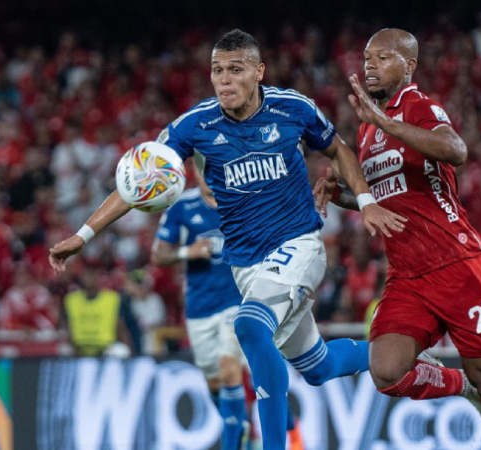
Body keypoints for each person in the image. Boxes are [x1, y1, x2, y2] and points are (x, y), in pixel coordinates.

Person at [49, 29, 405, 450]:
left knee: (249, 326)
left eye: (235, 70)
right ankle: (411, 357)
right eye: (217, 70)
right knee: (318, 367)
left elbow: (340, 151)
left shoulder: (292, 108)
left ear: (259, 72)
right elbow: (138, 183)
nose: (224, 80)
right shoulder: (194, 124)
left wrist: (364, 201)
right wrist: (83, 234)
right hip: (248, 267)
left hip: (300, 245)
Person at [315, 29, 481, 450]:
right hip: (407, 275)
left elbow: (455, 149)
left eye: (382, 58)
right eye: (367, 58)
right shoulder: (370, 131)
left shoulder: (419, 107)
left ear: (409, 66)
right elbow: (388, 197)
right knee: (386, 371)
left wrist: (386, 121)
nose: (370, 66)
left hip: (455, 263)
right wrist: (343, 196)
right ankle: (464, 389)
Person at [151, 168, 301, 450]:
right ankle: (258, 430)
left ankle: (254, 438)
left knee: (231, 368)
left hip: (240, 302)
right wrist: (187, 252)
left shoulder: (246, 200)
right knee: (217, 383)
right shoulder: (182, 207)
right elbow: (158, 254)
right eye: (201, 169)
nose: (207, 174)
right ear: (194, 172)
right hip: (200, 308)